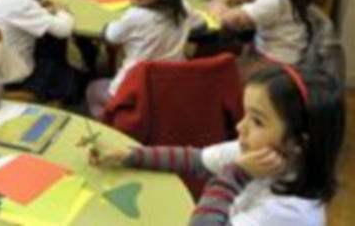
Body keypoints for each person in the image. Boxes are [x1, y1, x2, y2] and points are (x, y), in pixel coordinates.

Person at [90, 66, 345, 226]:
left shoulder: (290, 213)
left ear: (297, 142)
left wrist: (235, 176)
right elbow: (194, 159)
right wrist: (131, 155)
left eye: (257, 120)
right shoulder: (258, 152)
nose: (239, 127)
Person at [86, 0, 198, 117]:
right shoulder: (184, 8)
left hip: (132, 91)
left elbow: (110, 36)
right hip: (169, 87)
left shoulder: (136, 15)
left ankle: (114, 123)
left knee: (92, 89)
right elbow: (199, 24)